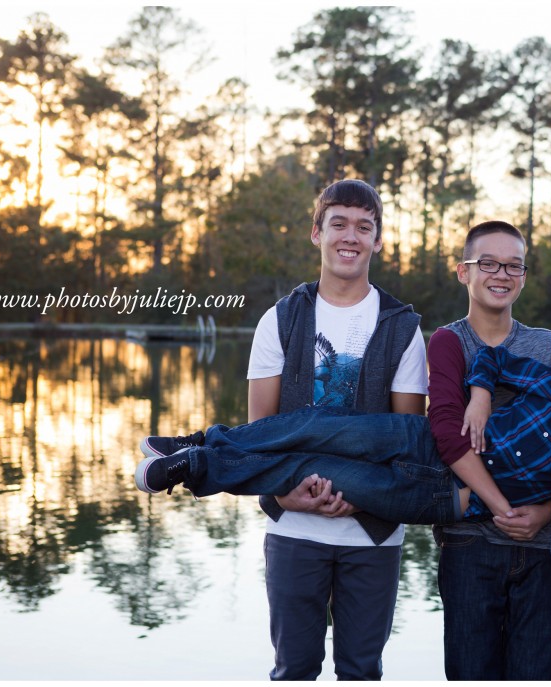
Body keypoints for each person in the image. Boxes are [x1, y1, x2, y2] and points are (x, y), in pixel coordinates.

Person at [133, 335, 551, 517]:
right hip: (423, 439)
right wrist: (479, 399)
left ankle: (192, 469)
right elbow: (494, 360)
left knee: (312, 468)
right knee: (317, 423)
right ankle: (202, 442)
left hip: (439, 495)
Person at [242, 179, 428, 681]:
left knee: (362, 671)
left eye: (364, 227)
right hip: (293, 524)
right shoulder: (279, 320)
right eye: (338, 223)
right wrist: (289, 493)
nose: (350, 236)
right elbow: (260, 434)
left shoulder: (402, 327)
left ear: (379, 240)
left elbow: (407, 439)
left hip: (373, 531)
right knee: (294, 669)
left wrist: (363, 496)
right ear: (316, 233)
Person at [426, 220, 551, 681]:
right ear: (464, 272)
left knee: (534, 674)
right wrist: (504, 509)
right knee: (471, 672)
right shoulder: (449, 342)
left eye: (513, 265)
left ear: (524, 276)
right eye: (488, 263)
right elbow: (447, 434)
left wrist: (546, 514)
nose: (501, 274)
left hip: (541, 550)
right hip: (469, 544)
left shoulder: (549, 347)